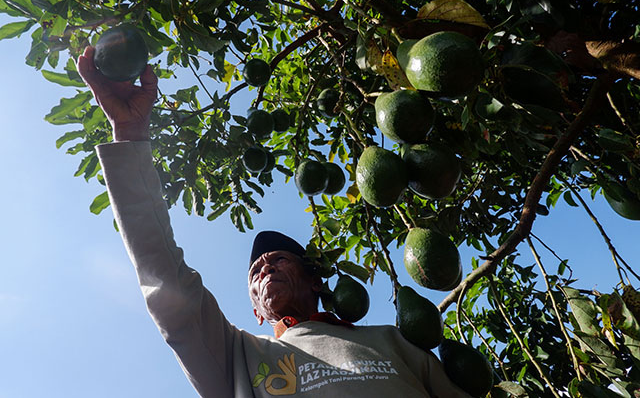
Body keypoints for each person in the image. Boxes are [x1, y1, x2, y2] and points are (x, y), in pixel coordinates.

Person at [76, 46, 472, 397]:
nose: (265, 265)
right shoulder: (237, 358)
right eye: (255, 271)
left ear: (317, 280)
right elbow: (165, 280)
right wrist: (129, 135)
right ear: (255, 312)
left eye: (279, 259)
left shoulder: (393, 341)